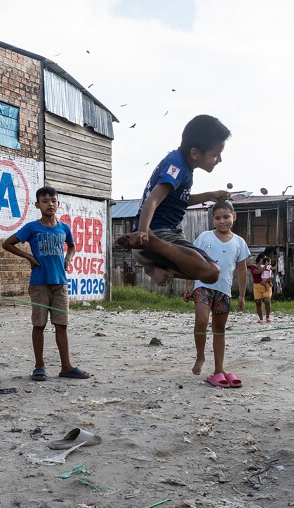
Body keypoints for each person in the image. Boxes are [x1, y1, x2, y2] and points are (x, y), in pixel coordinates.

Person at [116, 115, 232, 286]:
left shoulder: (181, 163)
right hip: (157, 234)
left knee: (202, 271)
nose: (219, 160)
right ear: (195, 153)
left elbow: (177, 201)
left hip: (160, 237)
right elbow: (153, 199)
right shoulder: (177, 166)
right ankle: (153, 244)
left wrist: (209, 196)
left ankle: (158, 269)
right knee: (211, 271)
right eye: (216, 155)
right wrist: (143, 232)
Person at [2, 186, 89, 381]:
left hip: (60, 283)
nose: (50, 204)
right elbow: (7, 243)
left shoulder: (64, 227)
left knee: (61, 325)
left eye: (53, 200)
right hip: (39, 284)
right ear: (37, 205)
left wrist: (68, 258)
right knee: (39, 325)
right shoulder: (32, 227)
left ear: (58, 203)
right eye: (45, 201)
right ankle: (39, 366)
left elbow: (72, 246)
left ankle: (66, 366)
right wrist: (29, 257)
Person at [184, 201, 249, 386]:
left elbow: (242, 270)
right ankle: (200, 356)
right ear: (212, 220)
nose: (222, 221)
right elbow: (191, 260)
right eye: (218, 218)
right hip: (202, 286)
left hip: (223, 290)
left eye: (226, 217)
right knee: (201, 321)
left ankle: (219, 368)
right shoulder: (204, 237)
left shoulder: (239, 242)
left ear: (233, 217)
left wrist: (242, 295)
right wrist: (188, 285)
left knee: (219, 330)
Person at [249, 253, 273, 323]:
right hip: (257, 286)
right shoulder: (254, 266)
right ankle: (261, 318)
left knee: (267, 301)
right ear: (260, 259)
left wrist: (269, 279)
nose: (266, 261)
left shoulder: (267, 266)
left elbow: (271, 274)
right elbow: (257, 272)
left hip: (267, 285)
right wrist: (264, 267)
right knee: (258, 302)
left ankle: (268, 317)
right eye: (264, 259)